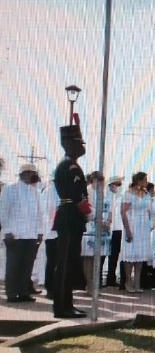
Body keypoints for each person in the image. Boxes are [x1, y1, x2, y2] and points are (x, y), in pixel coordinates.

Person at [52, 122, 90, 318]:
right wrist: (88, 212)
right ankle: (62, 306)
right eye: (78, 144)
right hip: (70, 216)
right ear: (70, 145)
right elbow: (77, 196)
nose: (82, 148)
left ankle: (66, 303)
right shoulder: (70, 166)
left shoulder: (69, 165)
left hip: (70, 217)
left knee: (69, 262)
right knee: (66, 263)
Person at [0, 163, 43, 303]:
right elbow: (4, 211)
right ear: (25, 173)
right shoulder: (10, 189)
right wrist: (7, 231)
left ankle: (24, 292)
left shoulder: (35, 192)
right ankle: (12, 294)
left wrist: (39, 232)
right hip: (15, 235)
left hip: (30, 235)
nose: (34, 176)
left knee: (27, 265)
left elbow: (38, 214)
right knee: (13, 265)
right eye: (32, 173)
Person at [120, 172, 152, 293]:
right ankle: (128, 281)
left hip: (143, 227)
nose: (146, 182)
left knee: (140, 256)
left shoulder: (146, 193)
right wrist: (128, 231)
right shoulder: (128, 194)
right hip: (132, 224)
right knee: (129, 255)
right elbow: (123, 212)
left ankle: (137, 282)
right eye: (144, 180)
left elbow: (150, 209)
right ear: (138, 181)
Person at [81, 171, 112, 295]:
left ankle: (95, 283)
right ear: (94, 180)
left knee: (97, 258)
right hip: (91, 228)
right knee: (89, 258)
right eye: (100, 182)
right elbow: (87, 209)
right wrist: (99, 220)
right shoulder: (88, 191)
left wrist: (108, 221)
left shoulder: (103, 193)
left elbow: (109, 209)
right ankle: (89, 285)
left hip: (103, 229)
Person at [40, 178, 60, 299]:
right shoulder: (48, 192)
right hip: (51, 232)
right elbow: (45, 212)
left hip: (62, 232)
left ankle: (57, 287)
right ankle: (50, 288)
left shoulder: (63, 190)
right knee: (52, 261)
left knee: (59, 261)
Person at [104, 175, 124, 288]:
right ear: (111, 185)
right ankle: (106, 278)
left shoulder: (119, 197)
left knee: (115, 254)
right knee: (106, 255)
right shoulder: (107, 196)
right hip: (109, 228)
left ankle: (111, 277)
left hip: (118, 228)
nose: (118, 187)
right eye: (117, 184)